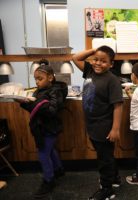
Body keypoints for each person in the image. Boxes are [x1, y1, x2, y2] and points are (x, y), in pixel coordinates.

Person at [72, 46, 123, 200]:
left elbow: (118, 106)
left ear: (111, 64)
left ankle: (107, 190)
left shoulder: (112, 80)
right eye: (96, 59)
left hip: (104, 125)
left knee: (104, 159)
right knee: (106, 154)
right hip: (92, 123)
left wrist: (115, 129)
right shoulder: (89, 71)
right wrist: (94, 50)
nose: (98, 63)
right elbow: (75, 58)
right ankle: (114, 178)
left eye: (103, 61)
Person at [18, 64, 67, 198]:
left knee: (43, 154)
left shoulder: (55, 91)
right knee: (49, 150)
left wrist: (35, 104)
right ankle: (58, 170)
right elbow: (34, 109)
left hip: (50, 128)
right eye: (35, 79)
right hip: (40, 127)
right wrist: (23, 103)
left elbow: (51, 110)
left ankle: (49, 180)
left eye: (40, 78)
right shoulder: (38, 91)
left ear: (50, 78)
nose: (37, 82)